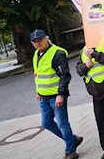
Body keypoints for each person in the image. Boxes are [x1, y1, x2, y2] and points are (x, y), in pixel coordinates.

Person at [30, 29, 83, 159]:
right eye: (34, 42)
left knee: (62, 123)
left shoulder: (57, 53)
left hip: (57, 96)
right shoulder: (36, 54)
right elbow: (38, 75)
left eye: (40, 40)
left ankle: (71, 151)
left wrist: (61, 94)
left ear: (46, 38)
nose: (38, 43)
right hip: (43, 97)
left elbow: (65, 76)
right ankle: (72, 139)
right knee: (46, 123)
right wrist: (38, 91)